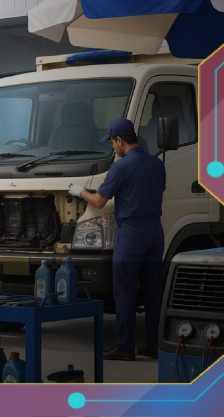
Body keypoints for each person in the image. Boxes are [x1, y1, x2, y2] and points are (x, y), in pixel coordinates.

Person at [69, 118, 166, 361]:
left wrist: (79, 191)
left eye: (112, 141)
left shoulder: (120, 168)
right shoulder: (157, 164)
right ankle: (154, 346)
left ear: (119, 140)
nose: (112, 146)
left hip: (132, 233)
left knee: (125, 292)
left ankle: (125, 347)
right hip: (155, 230)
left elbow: (100, 201)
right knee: (153, 292)